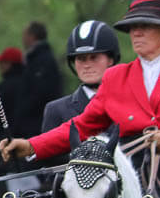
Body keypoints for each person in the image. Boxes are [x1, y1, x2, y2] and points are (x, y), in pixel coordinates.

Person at [0, 0, 160, 198]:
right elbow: (81, 126)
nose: (136, 33)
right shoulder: (115, 76)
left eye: (145, 26)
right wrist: (31, 146)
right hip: (128, 177)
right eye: (133, 27)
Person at [39, 20, 121, 172]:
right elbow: (50, 166)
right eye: (81, 59)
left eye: (94, 57)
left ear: (110, 59)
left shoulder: (129, 103)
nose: (87, 65)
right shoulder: (55, 110)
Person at [12, 21, 63, 140]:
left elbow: (41, 93)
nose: (23, 39)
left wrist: (22, 113)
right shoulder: (35, 59)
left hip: (36, 126)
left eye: (25, 35)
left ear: (32, 36)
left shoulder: (42, 61)